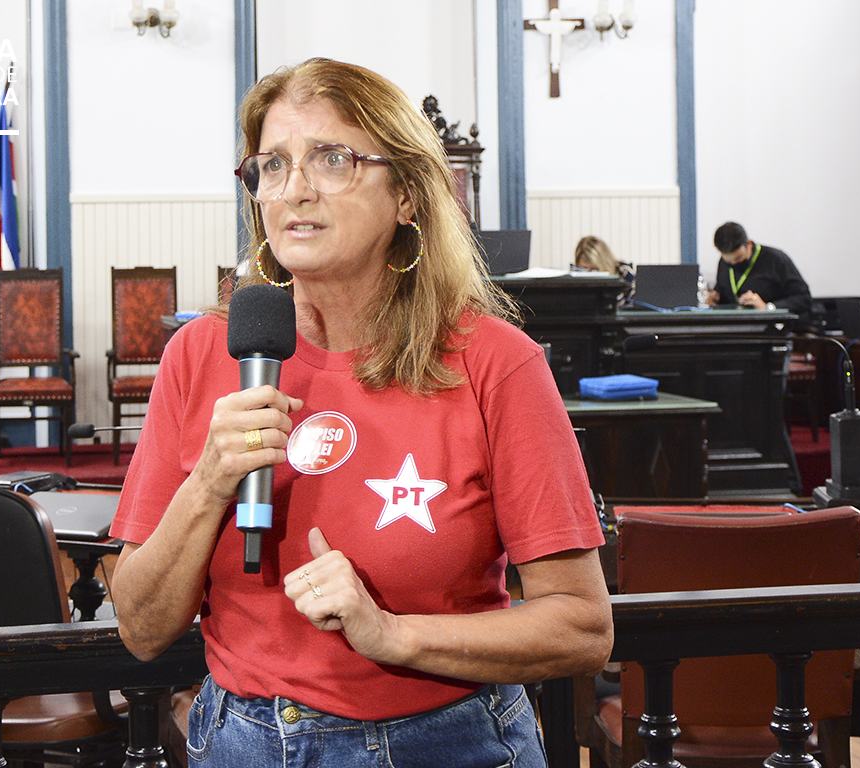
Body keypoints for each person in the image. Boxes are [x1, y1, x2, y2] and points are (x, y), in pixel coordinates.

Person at [108, 58, 613, 767]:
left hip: (446, 741)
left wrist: (394, 635)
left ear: (406, 195)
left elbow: (581, 627)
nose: (294, 190)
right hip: (243, 742)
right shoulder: (202, 354)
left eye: (332, 159)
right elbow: (139, 628)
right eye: (272, 166)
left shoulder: (494, 362)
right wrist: (209, 484)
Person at [705, 221, 812, 322]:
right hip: (736, 326)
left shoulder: (776, 260)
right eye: (728, 260)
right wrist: (715, 300)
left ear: (749, 244)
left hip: (773, 327)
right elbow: (724, 292)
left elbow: (804, 299)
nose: (733, 263)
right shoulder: (724, 263)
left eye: (738, 258)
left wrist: (768, 307)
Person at [574, 234, 635, 304]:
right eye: (584, 269)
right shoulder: (573, 278)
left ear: (605, 264)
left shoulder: (625, 273)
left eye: (595, 269)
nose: (589, 274)